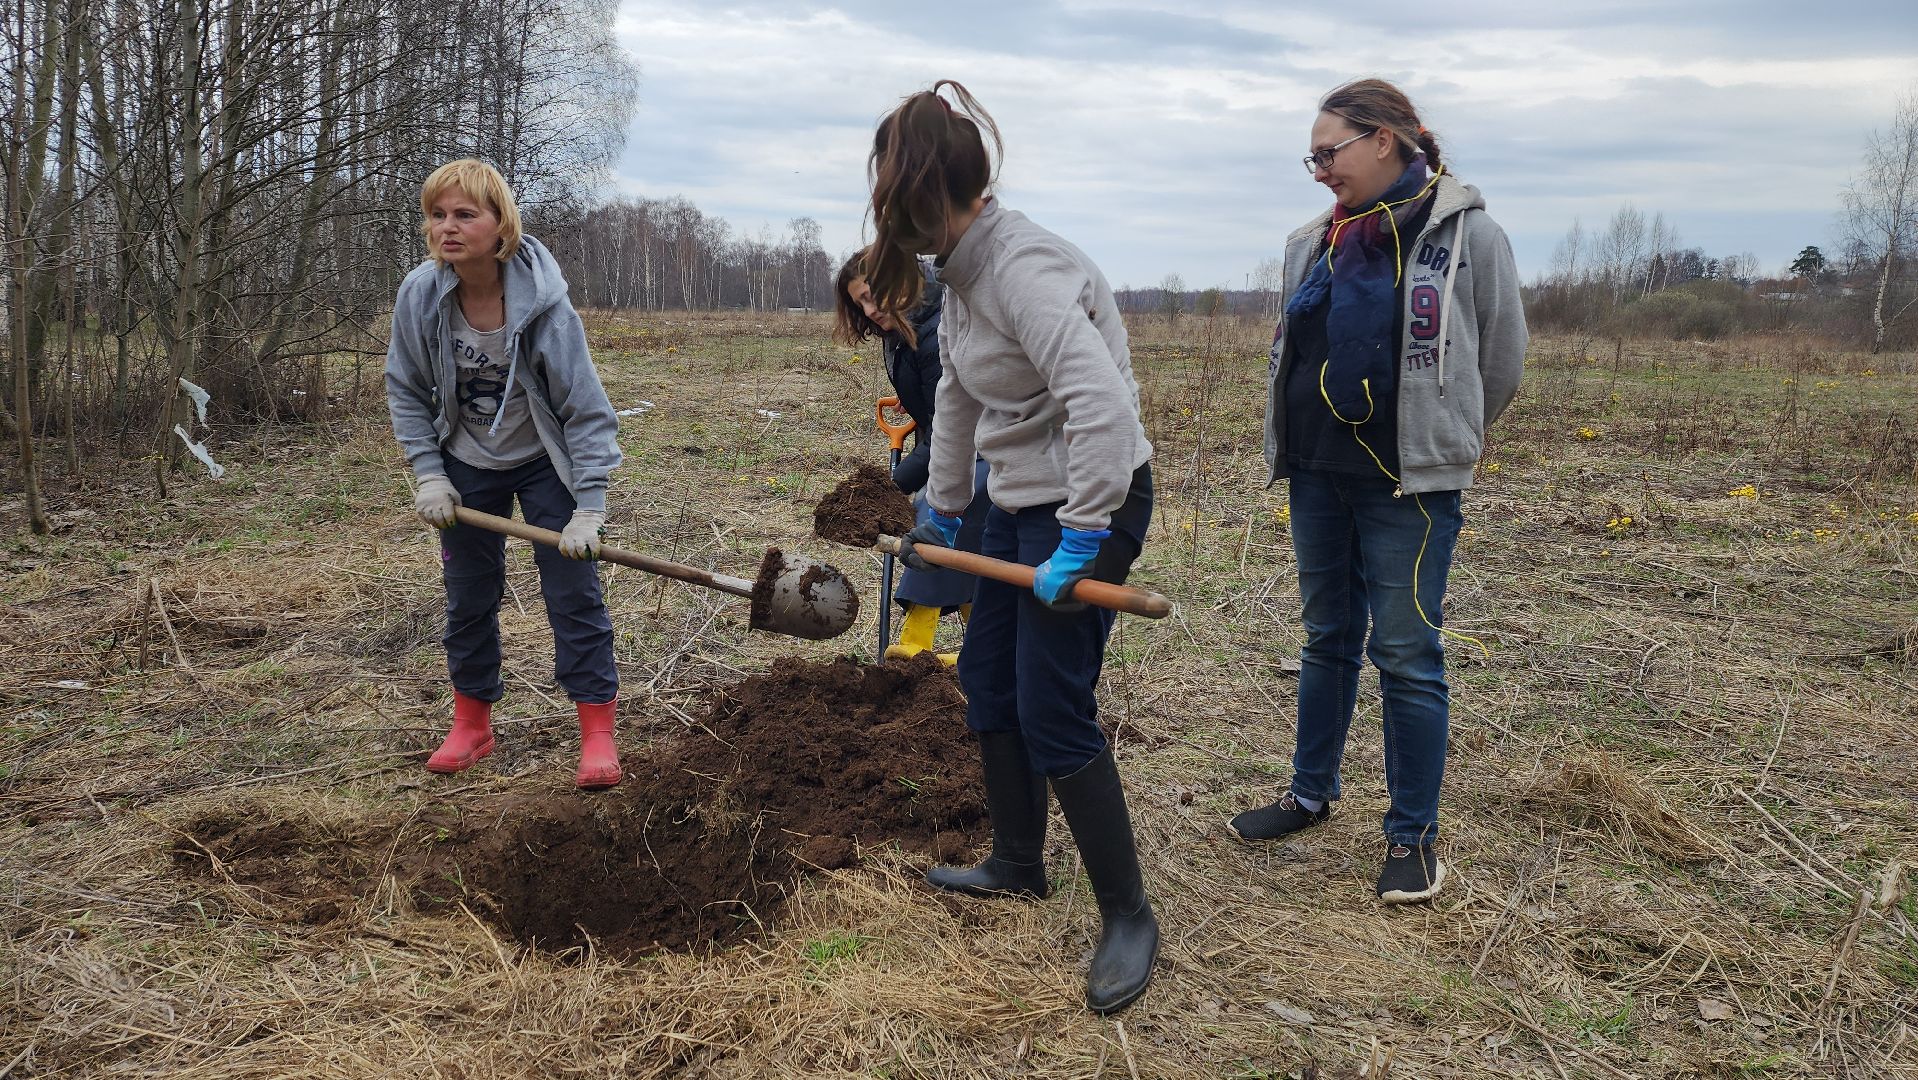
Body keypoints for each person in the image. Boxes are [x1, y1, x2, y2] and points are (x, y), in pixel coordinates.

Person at [872, 81, 1158, 1014]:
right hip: (1015, 504)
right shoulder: (960, 268)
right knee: (987, 679)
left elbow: (1103, 407)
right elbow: (957, 395)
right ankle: (1017, 862)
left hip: (1092, 500)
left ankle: (1128, 916)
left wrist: (1083, 536)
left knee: (1051, 702)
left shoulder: (1023, 269)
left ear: (929, 192)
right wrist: (947, 514)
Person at [1229, 80, 1526, 903]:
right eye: (1312, 157)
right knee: (1328, 636)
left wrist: (1446, 438)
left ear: (1385, 139)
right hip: (1318, 473)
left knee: (1405, 653)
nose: (1320, 171)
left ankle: (1413, 837)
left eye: (1330, 153)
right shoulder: (1314, 242)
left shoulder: (1466, 234)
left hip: (1407, 487)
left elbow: (1499, 359)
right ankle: (1309, 793)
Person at [385, 158, 627, 790]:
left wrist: (589, 506)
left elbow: (585, 406)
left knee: (573, 594)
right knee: (469, 595)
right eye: (437, 215)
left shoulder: (545, 306)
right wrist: (430, 474)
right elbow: (406, 390)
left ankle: (598, 731)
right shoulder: (421, 294)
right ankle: (472, 723)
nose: (448, 227)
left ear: (501, 225)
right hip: (466, 460)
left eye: (466, 214)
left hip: (544, 458)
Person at [833, 249, 988, 663]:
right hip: (954, 443)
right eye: (859, 303)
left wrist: (890, 486)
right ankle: (984, 648)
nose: (869, 309)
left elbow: (952, 426)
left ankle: (917, 646)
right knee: (963, 543)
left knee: (934, 517)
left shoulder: (938, 330)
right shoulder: (906, 327)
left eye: (872, 295)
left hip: (987, 448)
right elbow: (936, 405)